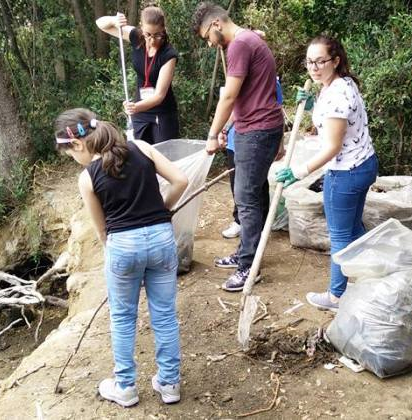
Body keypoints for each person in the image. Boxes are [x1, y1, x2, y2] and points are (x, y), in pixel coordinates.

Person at [54, 108, 188, 407]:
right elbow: (180, 181)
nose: (73, 159)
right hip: (161, 239)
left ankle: (125, 387)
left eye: (69, 154)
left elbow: (102, 232)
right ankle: (169, 384)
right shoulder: (141, 147)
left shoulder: (88, 177)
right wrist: (162, 211)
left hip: (123, 246)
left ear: (77, 144)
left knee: (123, 318)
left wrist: (118, 249)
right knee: (164, 314)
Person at [276, 36, 378, 312]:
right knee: (355, 229)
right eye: (310, 61)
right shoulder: (340, 83)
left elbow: (332, 146)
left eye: (321, 61)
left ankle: (336, 297)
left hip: (345, 173)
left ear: (335, 60)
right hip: (363, 166)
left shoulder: (337, 93)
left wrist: (299, 171)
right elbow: (331, 119)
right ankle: (373, 274)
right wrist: (311, 106)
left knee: (341, 236)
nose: (314, 67)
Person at [192, 2, 285, 291]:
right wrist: (226, 129)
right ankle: (248, 253)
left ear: (216, 24)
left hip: (257, 132)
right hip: (256, 128)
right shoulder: (248, 40)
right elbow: (245, 97)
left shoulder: (240, 45)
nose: (209, 43)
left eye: (207, 36)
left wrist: (212, 133)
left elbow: (229, 97)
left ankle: (249, 268)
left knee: (246, 198)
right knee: (253, 193)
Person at [97, 7, 179, 144]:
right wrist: (113, 20)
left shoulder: (169, 54)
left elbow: (159, 95)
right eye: (148, 34)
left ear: (163, 29)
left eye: (157, 35)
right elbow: (101, 24)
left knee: (163, 157)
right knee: (140, 155)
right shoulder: (136, 36)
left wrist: (135, 107)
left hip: (162, 113)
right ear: (142, 28)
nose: (152, 40)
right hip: (140, 114)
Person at [221, 76, 284, 239]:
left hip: (256, 141)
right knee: (236, 184)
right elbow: (230, 107)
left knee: (258, 184)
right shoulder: (235, 79)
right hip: (235, 140)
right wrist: (224, 130)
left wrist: (280, 143)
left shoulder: (270, 81)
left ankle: (261, 225)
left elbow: (278, 111)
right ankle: (239, 221)